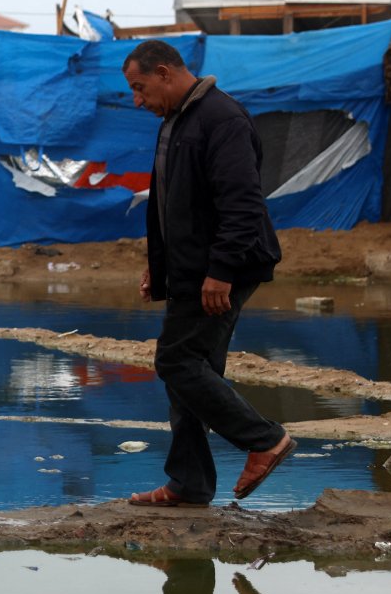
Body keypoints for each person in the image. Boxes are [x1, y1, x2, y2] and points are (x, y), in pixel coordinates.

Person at [121, 40, 294, 508]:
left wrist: (221, 271)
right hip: (192, 268)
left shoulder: (222, 119)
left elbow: (242, 203)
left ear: (164, 73)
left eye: (140, 88)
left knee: (175, 362)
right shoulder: (176, 121)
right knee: (193, 371)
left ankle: (264, 440)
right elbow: (172, 206)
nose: (138, 100)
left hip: (221, 268)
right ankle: (190, 484)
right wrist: (160, 269)